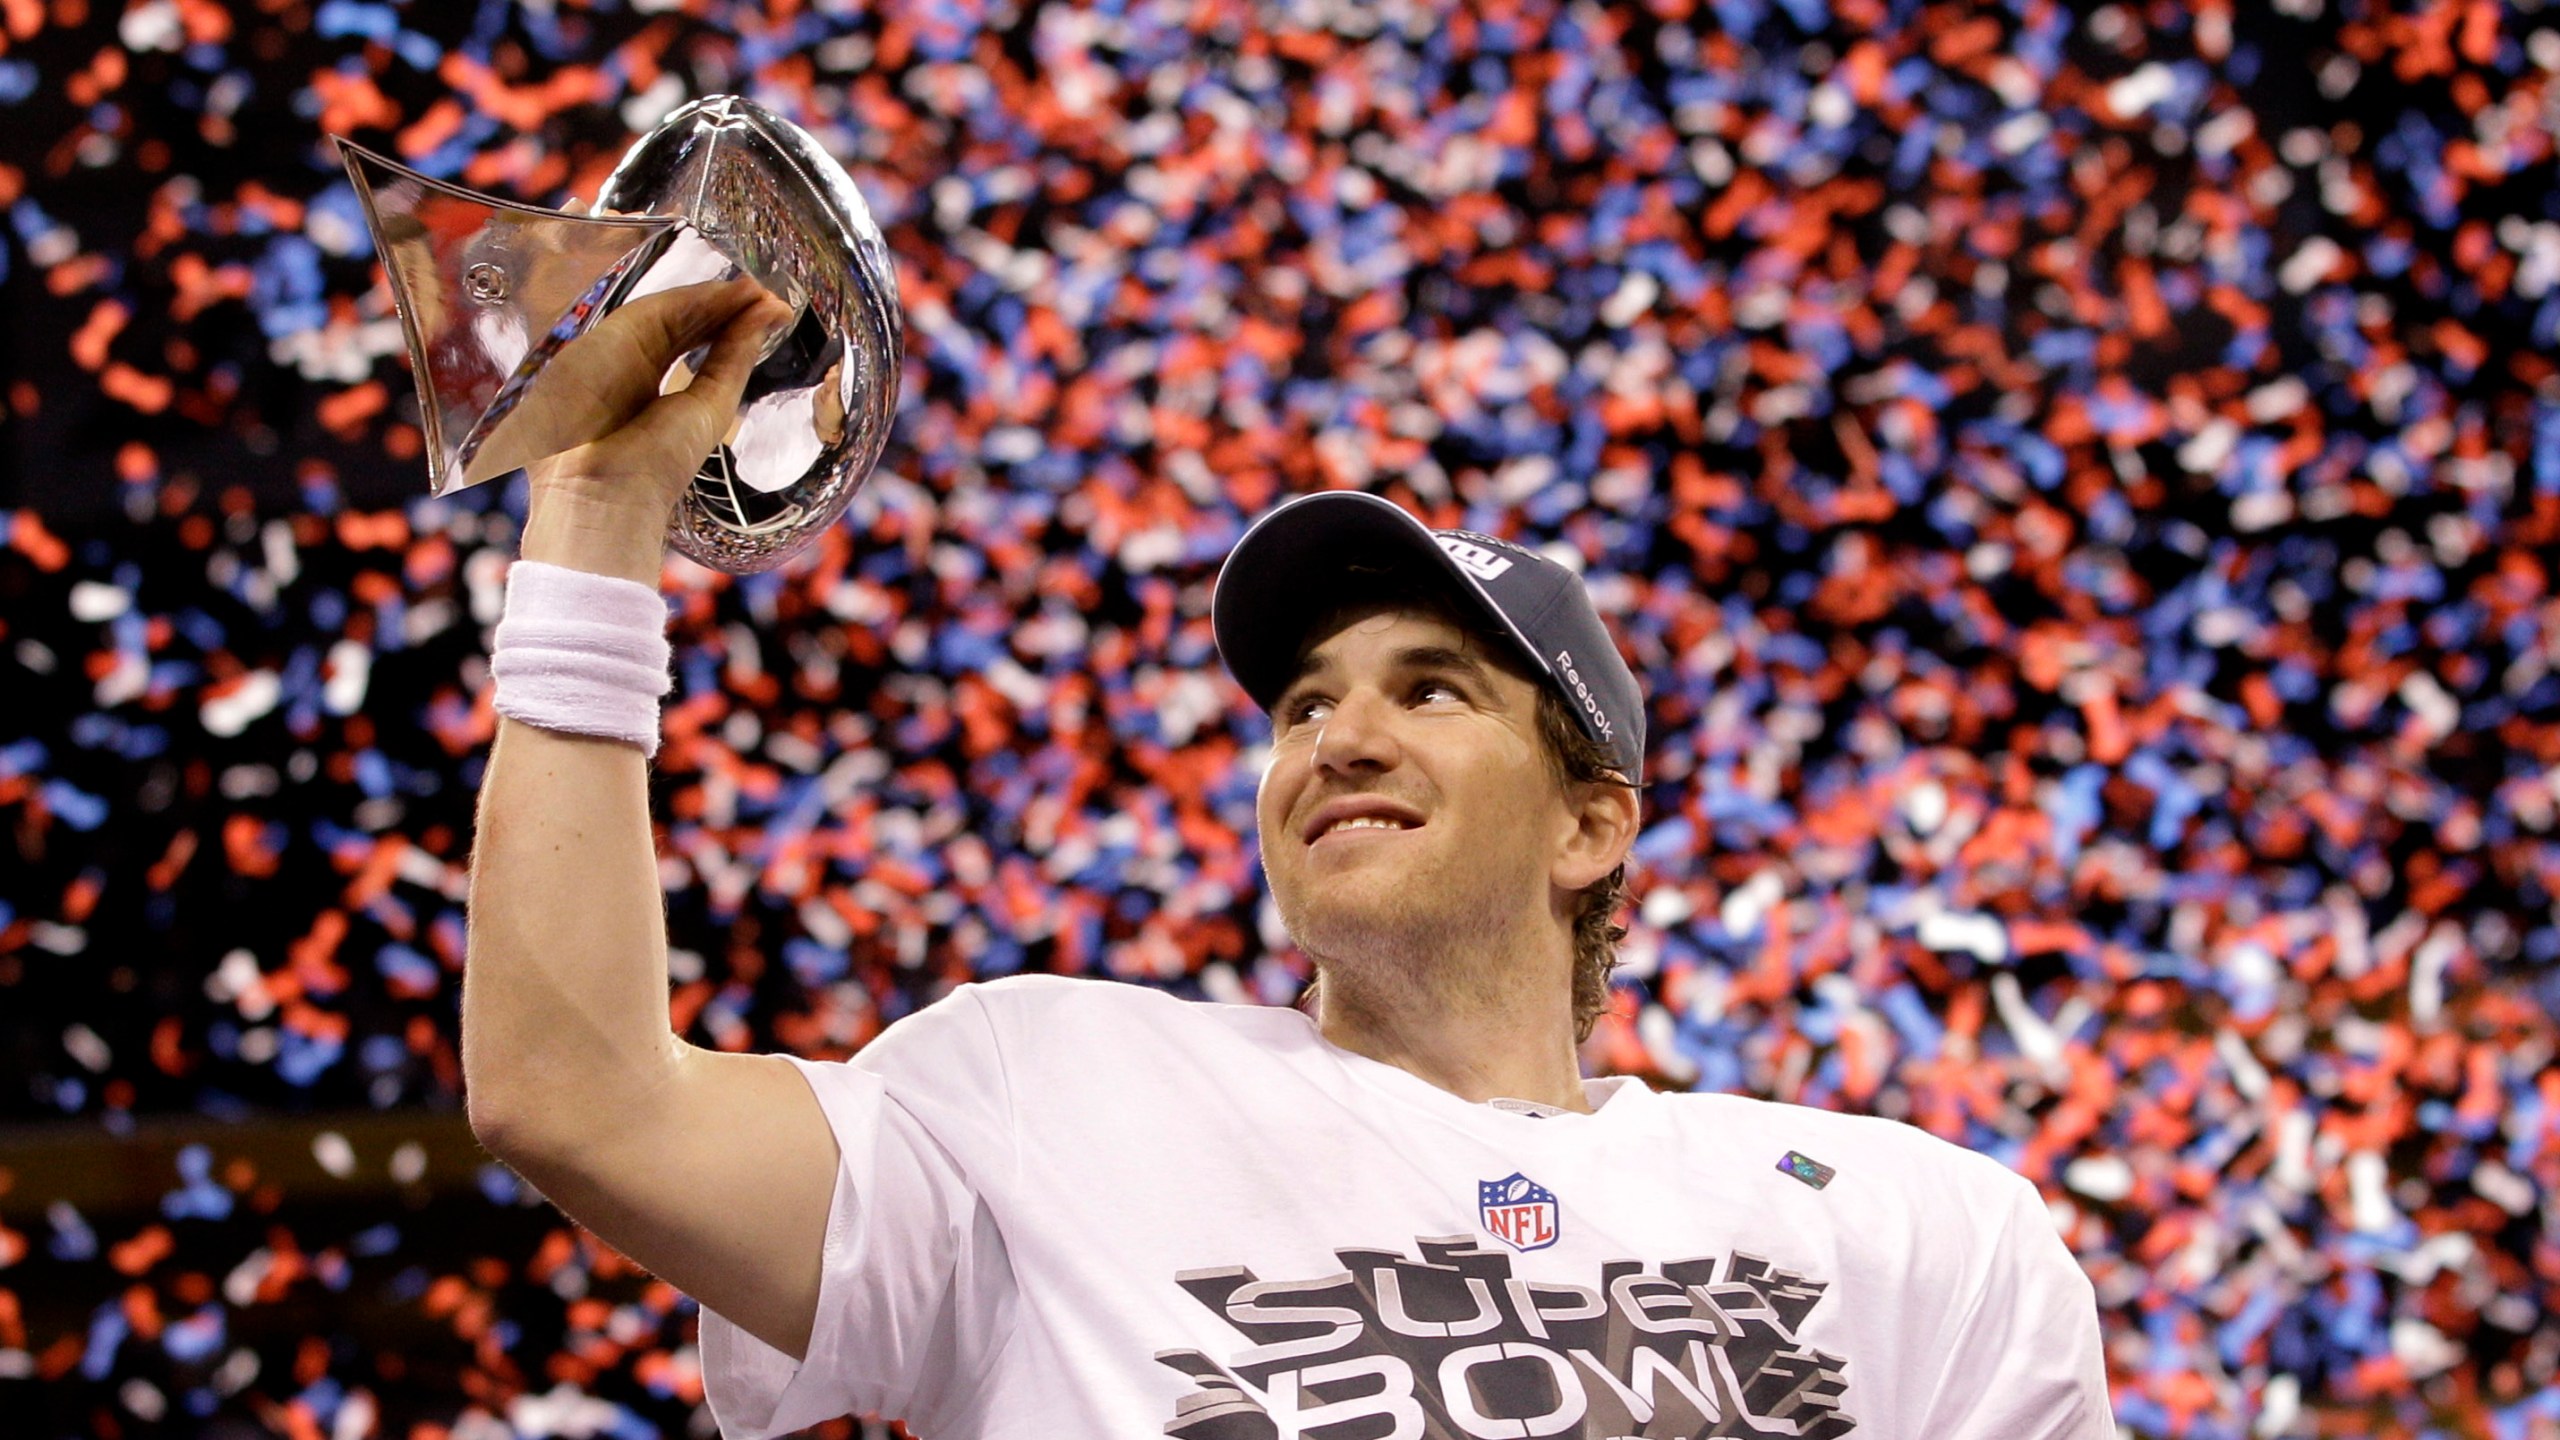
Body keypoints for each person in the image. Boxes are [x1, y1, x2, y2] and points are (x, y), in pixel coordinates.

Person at [463, 278, 2115, 1438]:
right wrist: (601, 519)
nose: (1338, 735)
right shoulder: (1044, 1091)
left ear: (1590, 822)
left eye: (1432, 689)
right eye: (1303, 705)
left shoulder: (1921, 1231)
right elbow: (580, 1099)